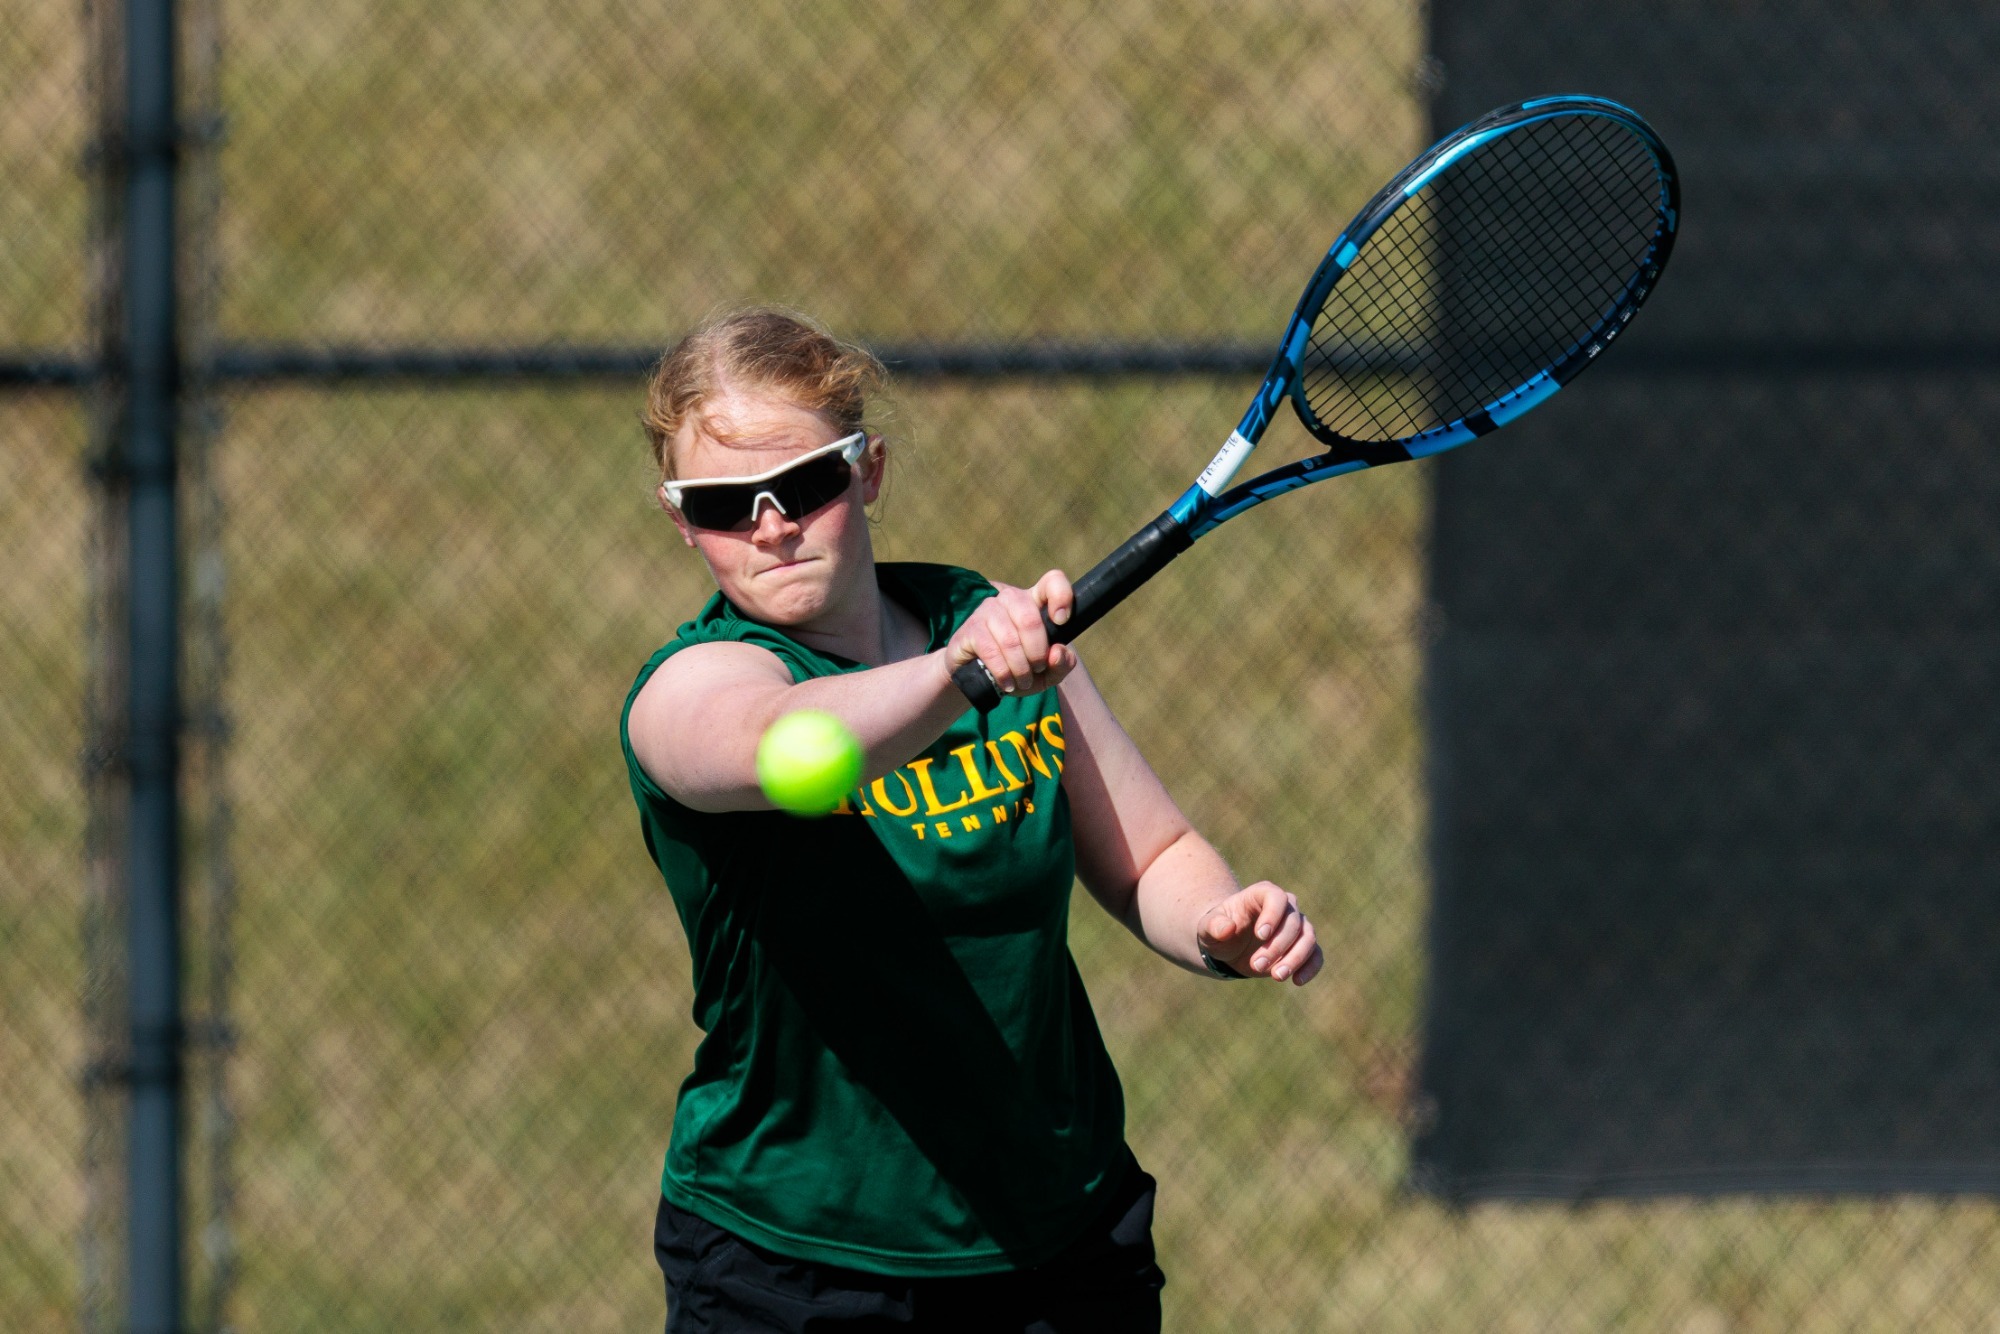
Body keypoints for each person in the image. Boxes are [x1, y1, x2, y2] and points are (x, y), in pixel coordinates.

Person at [621, 307, 1325, 1333]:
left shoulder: (993, 627)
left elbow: (1152, 854)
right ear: (680, 518)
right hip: (793, 1262)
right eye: (726, 502)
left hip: (1057, 1235)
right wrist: (961, 675)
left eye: (807, 483)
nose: (771, 523)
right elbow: (790, 751)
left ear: (867, 472)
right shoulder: (689, 688)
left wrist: (1220, 922)